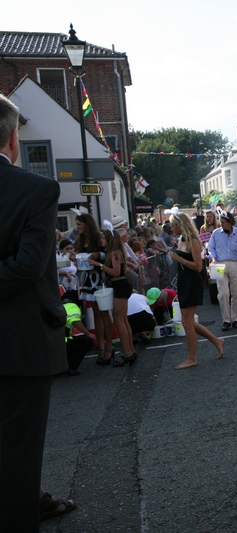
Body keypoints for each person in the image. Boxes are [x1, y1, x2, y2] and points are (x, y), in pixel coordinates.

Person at [0, 93, 68, 530]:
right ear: (12, 138)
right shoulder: (36, 189)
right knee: (19, 450)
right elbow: (28, 266)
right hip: (20, 340)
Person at [168, 212, 226, 369]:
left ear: (181, 225)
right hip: (184, 282)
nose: (172, 228)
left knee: (187, 321)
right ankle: (217, 341)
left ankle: (192, 357)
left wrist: (179, 259)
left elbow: (198, 266)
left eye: (173, 225)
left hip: (192, 283)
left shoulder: (193, 240)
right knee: (187, 321)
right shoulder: (182, 239)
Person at [90, 229, 137, 366]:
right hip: (120, 285)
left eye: (103, 238)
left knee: (119, 320)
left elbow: (116, 272)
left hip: (120, 287)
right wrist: (107, 277)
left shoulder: (114, 253)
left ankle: (127, 353)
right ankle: (131, 351)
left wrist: (99, 265)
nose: (101, 241)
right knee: (123, 320)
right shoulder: (116, 252)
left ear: (109, 239)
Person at [75, 213, 114, 364]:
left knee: (104, 313)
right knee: (96, 313)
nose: (77, 227)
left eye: (79, 224)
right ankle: (101, 346)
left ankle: (109, 346)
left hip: (100, 277)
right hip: (87, 278)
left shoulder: (98, 237)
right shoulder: (82, 238)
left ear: (87, 224)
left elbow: (109, 254)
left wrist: (99, 254)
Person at [207, 208, 237, 331]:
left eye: (223, 222)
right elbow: (210, 248)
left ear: (230, 222)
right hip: (220, 264)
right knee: (223, 293)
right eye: (220, 222)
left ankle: (235, 319)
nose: (221, 224)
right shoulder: (216, 233)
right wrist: (213, 258)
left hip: (235, 264)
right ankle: (226, 320)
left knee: (236, 292)